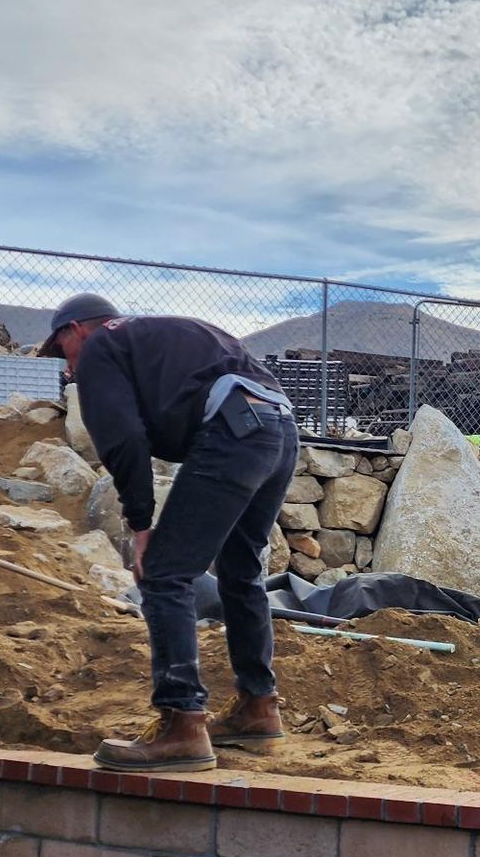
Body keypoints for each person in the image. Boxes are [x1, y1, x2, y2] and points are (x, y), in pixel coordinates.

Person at [40, 293, 298, 771]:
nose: (67, 368)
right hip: (279, 430)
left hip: (236, 430)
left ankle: (182, 725)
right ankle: (259, 708)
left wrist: (141, 527)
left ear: (75, 330)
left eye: (62, 351)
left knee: (164, 573)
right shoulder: (166, 333)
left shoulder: (100, 347)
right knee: (242, 571)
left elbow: (122, 438)